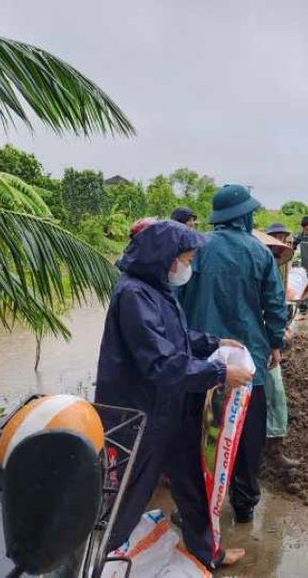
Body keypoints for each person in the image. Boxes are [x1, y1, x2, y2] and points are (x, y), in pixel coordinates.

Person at [95, 220, 248, 569]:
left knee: (191, 482)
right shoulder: (133, 295)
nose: (188, 267)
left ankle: (208, 551)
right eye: (187, 259)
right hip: (142, 415)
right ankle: (99, 558)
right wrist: (220, 372)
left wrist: (214, 343)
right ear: (166, 258)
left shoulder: (157, 289)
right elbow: (162, 362)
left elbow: (175, 338)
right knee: (130, 492)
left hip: (170, 407)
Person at [180, 184, 287, 524]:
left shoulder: (194, 250)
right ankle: (244, 504)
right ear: (244, 216)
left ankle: (196, 506)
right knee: (247, 432)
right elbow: (274, 304)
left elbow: (177, 301)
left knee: (199, 431)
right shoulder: (259, 254)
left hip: (202, 359)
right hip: (248, 361)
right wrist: (274, 343)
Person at [261, 223, 299, 471]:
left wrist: (280, 332)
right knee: (270, 392)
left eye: (281, 242)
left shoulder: (277, 270)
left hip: (264, 336)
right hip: (254, 340)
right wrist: (275, 341)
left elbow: (277, 305)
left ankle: (273, 450)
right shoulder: (258, 267)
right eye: (274, 242)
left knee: (275, 395)